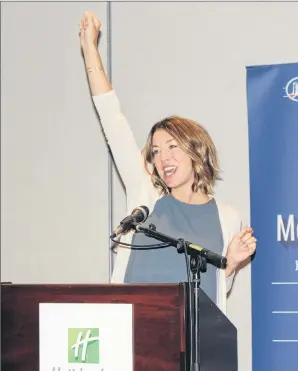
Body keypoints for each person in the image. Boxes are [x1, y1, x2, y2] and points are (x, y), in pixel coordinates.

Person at [79, 11, 256, 313]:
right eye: (157, 151)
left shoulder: (227, 216)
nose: (163, 157)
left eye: (172, 146)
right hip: (133, 335)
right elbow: (113, 119)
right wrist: (90, 50)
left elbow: (214, 291)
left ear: (196, 151)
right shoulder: (146, 195)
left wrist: (232, 263)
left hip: (189, 346)